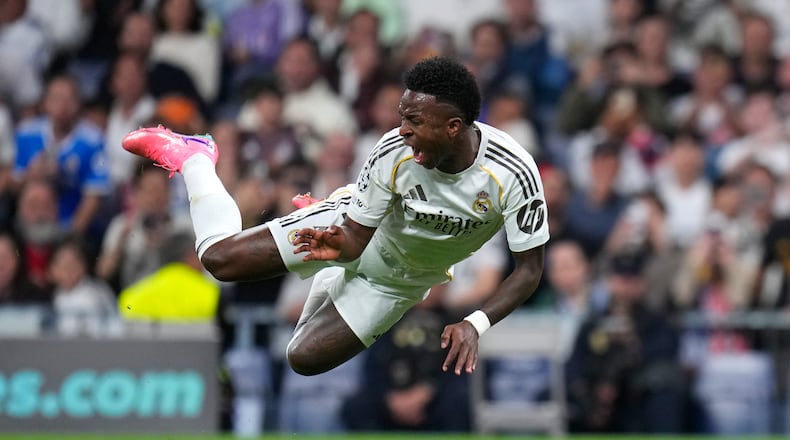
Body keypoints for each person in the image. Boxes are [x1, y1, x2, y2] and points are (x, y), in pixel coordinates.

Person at [122, 56, 548, 376]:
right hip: (357, 231)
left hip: (401, 282)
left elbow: (529, 270)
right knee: (219, 261)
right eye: (402, 118)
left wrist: (476, 323)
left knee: (302, 359)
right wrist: (338, 242)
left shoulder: (513, 172)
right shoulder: (393, 151)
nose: (402, 130)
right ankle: (195, 157)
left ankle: (329, 266)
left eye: (414, 121)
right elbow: (357, 237)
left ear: (453, 127)